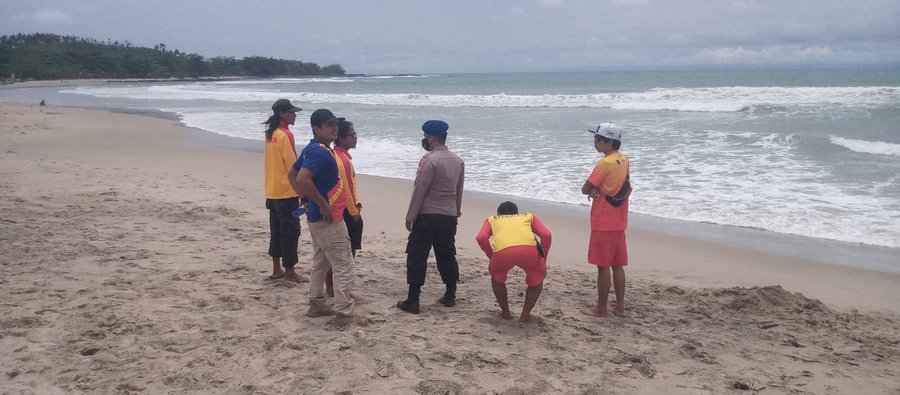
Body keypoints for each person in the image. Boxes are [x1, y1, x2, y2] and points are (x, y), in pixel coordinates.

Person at [290, 109, 356, 319]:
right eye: (329, 125)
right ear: (316, 128)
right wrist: (321, 204)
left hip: (317, 217)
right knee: (344, 265)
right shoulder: (320, 152)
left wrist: (305, 198)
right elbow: (301, 178)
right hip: (328, 217)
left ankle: (316, 302)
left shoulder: (313, 148)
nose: (334, 128)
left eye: (335, 124)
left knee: (321, 262)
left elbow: (292, 173)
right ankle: (343, 311)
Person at [397, 120, 465, 314]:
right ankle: (450, 294)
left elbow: (420, 190)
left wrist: (411, 216)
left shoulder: (429, 160)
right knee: (446, 253)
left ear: (432, 137)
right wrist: (456, 211)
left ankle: (413, 298)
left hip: (427, 214)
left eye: (426, 136)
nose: (425, 140)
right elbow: (459, 191)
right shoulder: (458, 160)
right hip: (448, 215)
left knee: (417, 254)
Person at [580, 122, 632, 318]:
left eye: (597, 139)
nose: (594, 143)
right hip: (619, 221)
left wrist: (592, 190)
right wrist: (596, 189)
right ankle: (619, 306)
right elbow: (620, 186)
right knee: (617, 265)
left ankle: (601, 308)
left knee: (603, 267)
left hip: (603, 221)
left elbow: (585, 188)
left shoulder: (604, 163)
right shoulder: (623, 159)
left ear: (607, 142)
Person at [475, 201, 552, 324]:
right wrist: (543, 258)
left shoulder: (492, 219)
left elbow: (481, 238)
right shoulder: (528, 216)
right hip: (529, 251)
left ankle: (505, 313)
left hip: (502, 253)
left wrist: (491, 256)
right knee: (537, 279)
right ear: (517, 213)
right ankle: (525, 316)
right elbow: (546, 235)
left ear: (498, 214)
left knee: (497, 277)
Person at [263, 99, 303, 282]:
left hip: (272, 190)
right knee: (290, 231)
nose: (294, 115)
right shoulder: (285, 135)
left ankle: (276, 268)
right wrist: (302, 189)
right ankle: (290, 271)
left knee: (276, 230)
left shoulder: (271, 134)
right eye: (291, 112)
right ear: (282, 114)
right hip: (286, 191)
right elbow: (292, 165)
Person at [322, 119, 363, 298]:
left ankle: (333, 288)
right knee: (345, 255)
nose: (356, 138)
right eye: (352, 135)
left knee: (338, 254)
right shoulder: (342, 160)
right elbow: (346, 189)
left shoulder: (337, 155)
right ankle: (337, 289)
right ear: (342, 138)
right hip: (346, 211)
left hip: (342, 208)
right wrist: (354, 213)